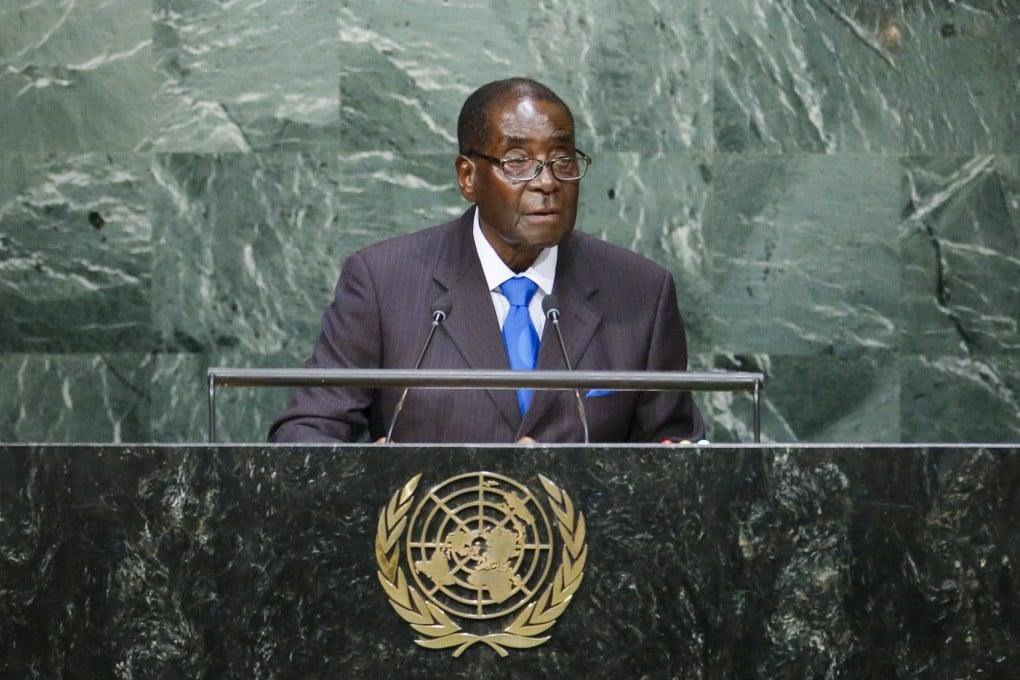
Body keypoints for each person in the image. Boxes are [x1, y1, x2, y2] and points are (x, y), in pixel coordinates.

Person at [268, 77, 704, 444]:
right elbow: (307, 431)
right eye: (518, 161)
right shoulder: (383, 282)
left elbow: (673, 453)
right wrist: (367, 478)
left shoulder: (641, 291)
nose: (547, 182)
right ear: (468, 177)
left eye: (561, 159)